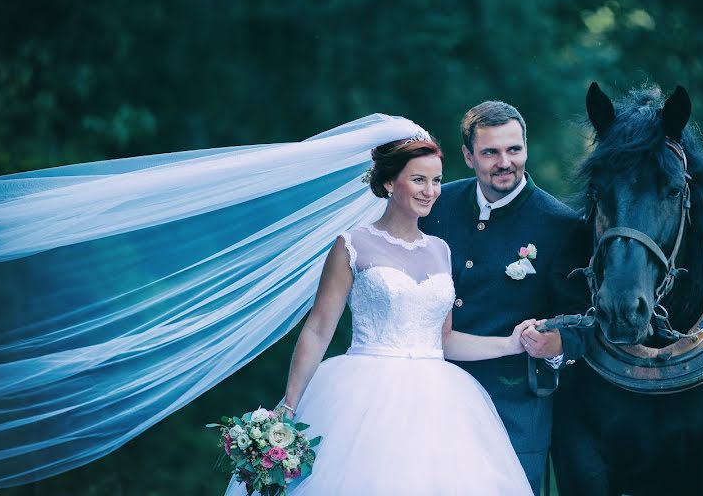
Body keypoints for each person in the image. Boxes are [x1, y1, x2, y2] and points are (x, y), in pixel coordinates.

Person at [224, 131, 535, 495]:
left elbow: (444, 340)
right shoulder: (352, 245)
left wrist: (511, 343)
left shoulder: (440, 251)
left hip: (440, 404)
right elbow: (319, 329)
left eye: (436, 181)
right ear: (389, 182)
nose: (430, 191)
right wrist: (290, 406)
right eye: (418, 179)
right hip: (361, 398)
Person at [420, 101, 592, 494]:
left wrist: (556, 344)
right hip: (430, 397)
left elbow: (583, 318)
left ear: (525, 149)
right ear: (468, 156)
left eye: (513, 150)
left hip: (513, 408)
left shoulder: (561, 225)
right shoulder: (436, 205)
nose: (504, 162)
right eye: (490, 152)